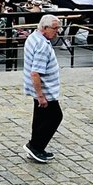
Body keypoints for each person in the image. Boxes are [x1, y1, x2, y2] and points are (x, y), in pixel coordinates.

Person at [23, 15, 63, 163]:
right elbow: (35, 72)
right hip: (45, 90)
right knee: (55, 116)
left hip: (38, 89)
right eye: (55, 28)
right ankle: (35, 146)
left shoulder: (34, 38)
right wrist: (41, 95)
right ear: (44, 28)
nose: (57, 31)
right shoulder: (42, 46)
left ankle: (36, 146)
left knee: (40, 117)